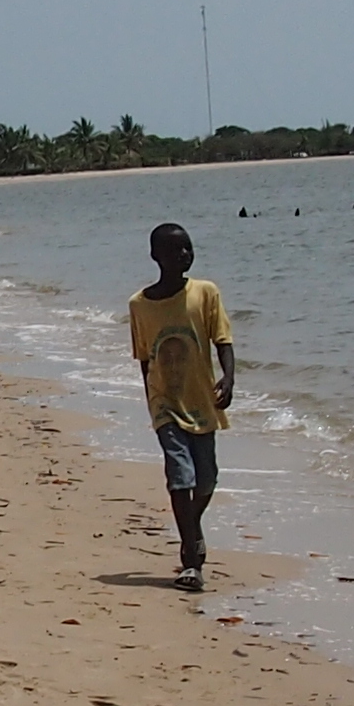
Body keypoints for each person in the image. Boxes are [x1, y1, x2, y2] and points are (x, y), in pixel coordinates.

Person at [127, 221, 235, 591]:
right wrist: (150, 398)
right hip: (165, 403)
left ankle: (191, 526)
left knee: (206, 478)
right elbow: (145, 358)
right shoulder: (140, 305)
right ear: (156, 257)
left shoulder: (205, 293)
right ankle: (192, 557)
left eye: (188, 248)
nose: (184, 255)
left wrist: (229, 378)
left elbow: (222, 339)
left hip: (201, 399)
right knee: (180, 475)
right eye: (175, 250)